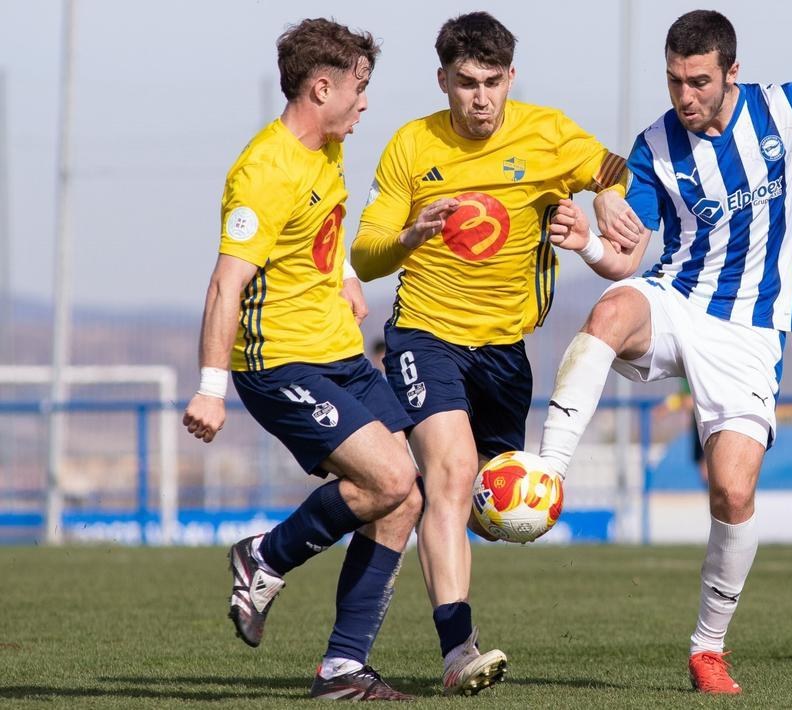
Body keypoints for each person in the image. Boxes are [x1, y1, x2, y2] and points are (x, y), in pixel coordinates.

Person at [537, 10, 792, 694]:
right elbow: (628, 256)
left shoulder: (791, 111)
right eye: (672, 81)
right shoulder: (653, 146)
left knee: (732, 490)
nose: (683, 96)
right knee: (610, 311)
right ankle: (547, 474)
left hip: (751, 333)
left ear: (731, 73)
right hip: (677, 299)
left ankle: (708, 648)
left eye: (697, 81)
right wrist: (588, 245)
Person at [349, 11, 642, 696]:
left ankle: (425, 571)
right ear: (443, 78)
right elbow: (364, 255)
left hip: (507, 351)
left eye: (492, 83)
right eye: (465, 83)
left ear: (512, 77)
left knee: (488, 505)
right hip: (425, 334)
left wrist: (604, 204)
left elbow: (616, 168)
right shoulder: (408, 146)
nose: (479, 99)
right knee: (448, 476)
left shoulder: (548, 133)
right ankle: (458, 650)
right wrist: (409, 236)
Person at [181, 19, 424, 701]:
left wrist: (344, 274)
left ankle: (344, 667)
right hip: (281, 365)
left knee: (403, 500)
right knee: (389, 477)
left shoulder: (328, 148)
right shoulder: (264, 169)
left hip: (338, 352)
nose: (366, 102)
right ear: (323, 87)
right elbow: (225, 283)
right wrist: (210, 389)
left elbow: (322, 227)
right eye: (360, 87)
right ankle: (264, 557)